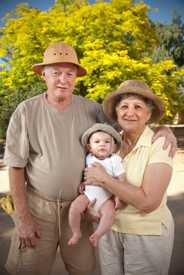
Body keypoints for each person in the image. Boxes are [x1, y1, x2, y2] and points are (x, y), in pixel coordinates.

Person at [3, 40, 176, 275]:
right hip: (38, 208)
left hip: (82, 207)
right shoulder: (26, 111)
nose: (62, 79)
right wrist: (22, 219)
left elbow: (130, 123)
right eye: (55, 73)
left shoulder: (92, 110)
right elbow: (15, 167)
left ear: (76, 77)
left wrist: (164, 131)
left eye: (69, 73)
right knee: (28, 269)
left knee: (83, 269)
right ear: (43, 75)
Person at [84, 79, 175, 275]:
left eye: (138, 107)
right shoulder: (110, 142)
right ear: (117, 112)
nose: (130, 112)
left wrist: (105, 179)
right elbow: (91, 179)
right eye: (124, 106)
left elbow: (148, 202)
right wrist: (91, 206)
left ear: (148, 114)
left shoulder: (160, 143)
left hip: (146, 235)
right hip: (110, 229)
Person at [68, 123, 125, 247]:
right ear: (90, 147)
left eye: (107, 142)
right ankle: (76, 232)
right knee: (74, 208)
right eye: (97, 141)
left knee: (110, 214)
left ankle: (98, 234)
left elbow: (121, 179)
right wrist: (83, 183)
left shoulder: (114, 160)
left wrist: (118, 196)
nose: (102, 144)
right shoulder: (89, 158)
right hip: (89, 194)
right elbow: (88, 174)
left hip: (106, 197)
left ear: (113, 146)